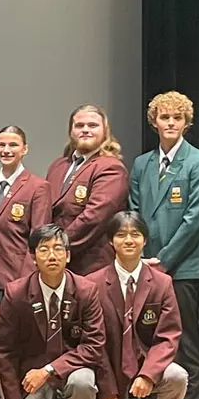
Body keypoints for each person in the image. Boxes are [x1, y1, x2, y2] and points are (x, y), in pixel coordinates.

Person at [128, 91, 199, 399]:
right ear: (154, 122)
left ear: (186, 123)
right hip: (146, 268)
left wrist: (164, 261)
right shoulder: (142, 164)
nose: (170, 123)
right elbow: (135, 213)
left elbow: (196, 219)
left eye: (176, 118)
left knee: (186, 344)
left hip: (181, 269)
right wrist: (143, 259)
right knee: (149, 343)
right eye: (164, 117)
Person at [0, 224, 105, 399]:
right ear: (33, 257)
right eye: (44, 250)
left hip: (71, 372)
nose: (52, 256)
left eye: (58, 249)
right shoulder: (16, 293)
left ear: (68, 255)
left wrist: (49, 370)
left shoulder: (86, 291)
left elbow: (94, 346)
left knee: (83, 381)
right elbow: (4, 351)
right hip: (35, 382)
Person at [90, 211, 187, 399]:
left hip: (144, 363)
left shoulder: (162, 283)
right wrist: (107, 390)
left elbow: (168, 336)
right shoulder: (93, 284)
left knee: (177, 376)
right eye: (121, 235)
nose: (128, 240)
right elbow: (93, 342)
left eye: (135, 234)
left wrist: (148, 374)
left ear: (144, 240)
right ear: (111, 241)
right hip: (109, 368)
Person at [0, 126, 51, 399]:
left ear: (25, 149)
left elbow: (40, 238)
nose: (6, 150)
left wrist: (26, 280)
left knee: (21, 346)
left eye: (13, 145)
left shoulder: (37, 187)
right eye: (2, 144)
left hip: (19, 280)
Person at [45, 104, 128, 276]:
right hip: (55, 264)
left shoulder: (111, 168)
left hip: (91, 265)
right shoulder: (57, 166)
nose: (85, 130)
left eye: (92, 125)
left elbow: (94, 217)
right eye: (79, 125)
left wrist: (57, 246)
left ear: (105, 132)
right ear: (71, 131)